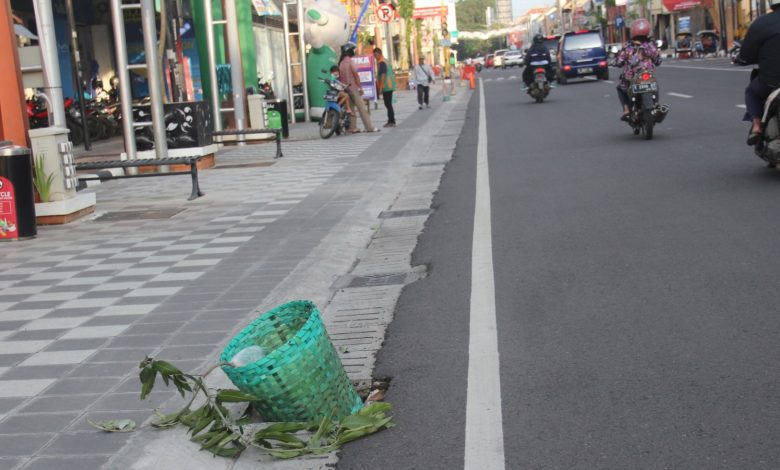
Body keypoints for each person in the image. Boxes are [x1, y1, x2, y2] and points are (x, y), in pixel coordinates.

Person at [737, 0, 780, 145]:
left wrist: (742, 59)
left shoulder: (761, 23)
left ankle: (757, 125)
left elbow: (746, 53)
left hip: (772, 81)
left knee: (752, 92)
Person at [615, 18, 661, 121]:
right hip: (647, 75)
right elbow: (658, 61)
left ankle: (626, 110)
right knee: (655, 85)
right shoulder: (650, 46)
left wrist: (616, 61)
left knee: (620, 88)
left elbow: (619, 61)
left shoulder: (628, 46)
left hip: (632, 77)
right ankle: (656, 104)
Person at [338, 43, 379, 133]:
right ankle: (369, 127)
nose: (353, 52)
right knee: (362, 108)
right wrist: (360, 88)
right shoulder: (350, 62)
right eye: (352, 50)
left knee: (351, 109)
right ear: (349, 51)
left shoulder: (341, 63)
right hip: (353, 88)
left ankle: (352, 128)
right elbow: (356, 75)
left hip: (345, 89)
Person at [373, 47, 396, 127]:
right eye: (374, 55)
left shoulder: (382, 62)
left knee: (388, 104)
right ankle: (391, 120)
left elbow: (383, 75)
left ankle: (391, 121)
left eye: (376, 55)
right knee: (388, 104)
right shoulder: (385, 60)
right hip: (389, 85)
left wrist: (380, 87)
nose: (375, 57)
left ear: (379, 54)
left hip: (386, 86)